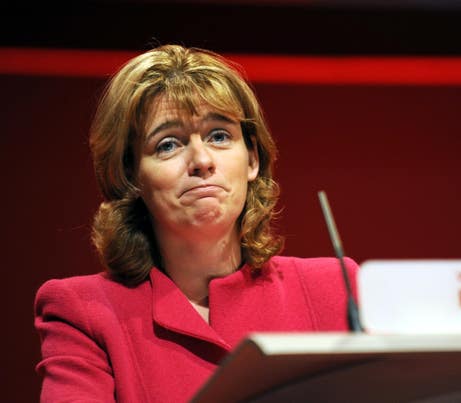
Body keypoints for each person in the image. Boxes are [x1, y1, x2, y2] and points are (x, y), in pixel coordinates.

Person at [34, 44, 359, 402]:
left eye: (219, 136)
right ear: (130, 176)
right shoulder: (84, 312)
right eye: (168, 144)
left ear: (252, 159)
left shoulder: (334, 290)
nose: (201, 160)